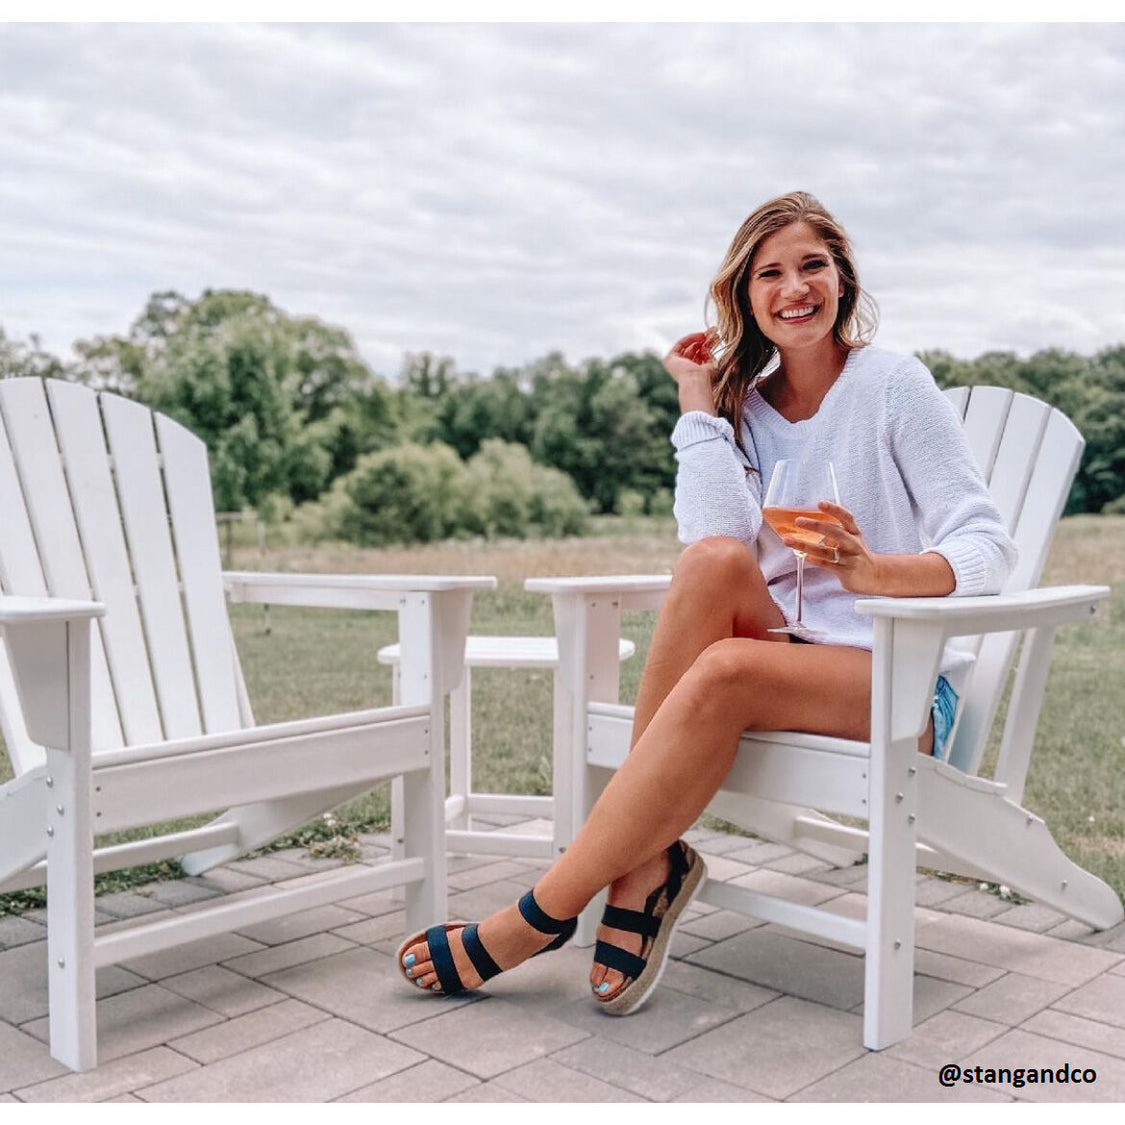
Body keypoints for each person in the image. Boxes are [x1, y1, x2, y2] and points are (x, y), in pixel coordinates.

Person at [395, 190, 1017, 1014]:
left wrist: (875, 573)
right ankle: (648, 866)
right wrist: (700, 404)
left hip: (899, 681)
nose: (794, 286)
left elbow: (986, 543)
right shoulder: (748, 407)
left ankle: (538, 915)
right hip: (795, 657)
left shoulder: (892, 386)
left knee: (724, 669)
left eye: (812, 265)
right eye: (770, 273)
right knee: (711, 565)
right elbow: (712, 536)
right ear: (744, 296)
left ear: (842, 280)